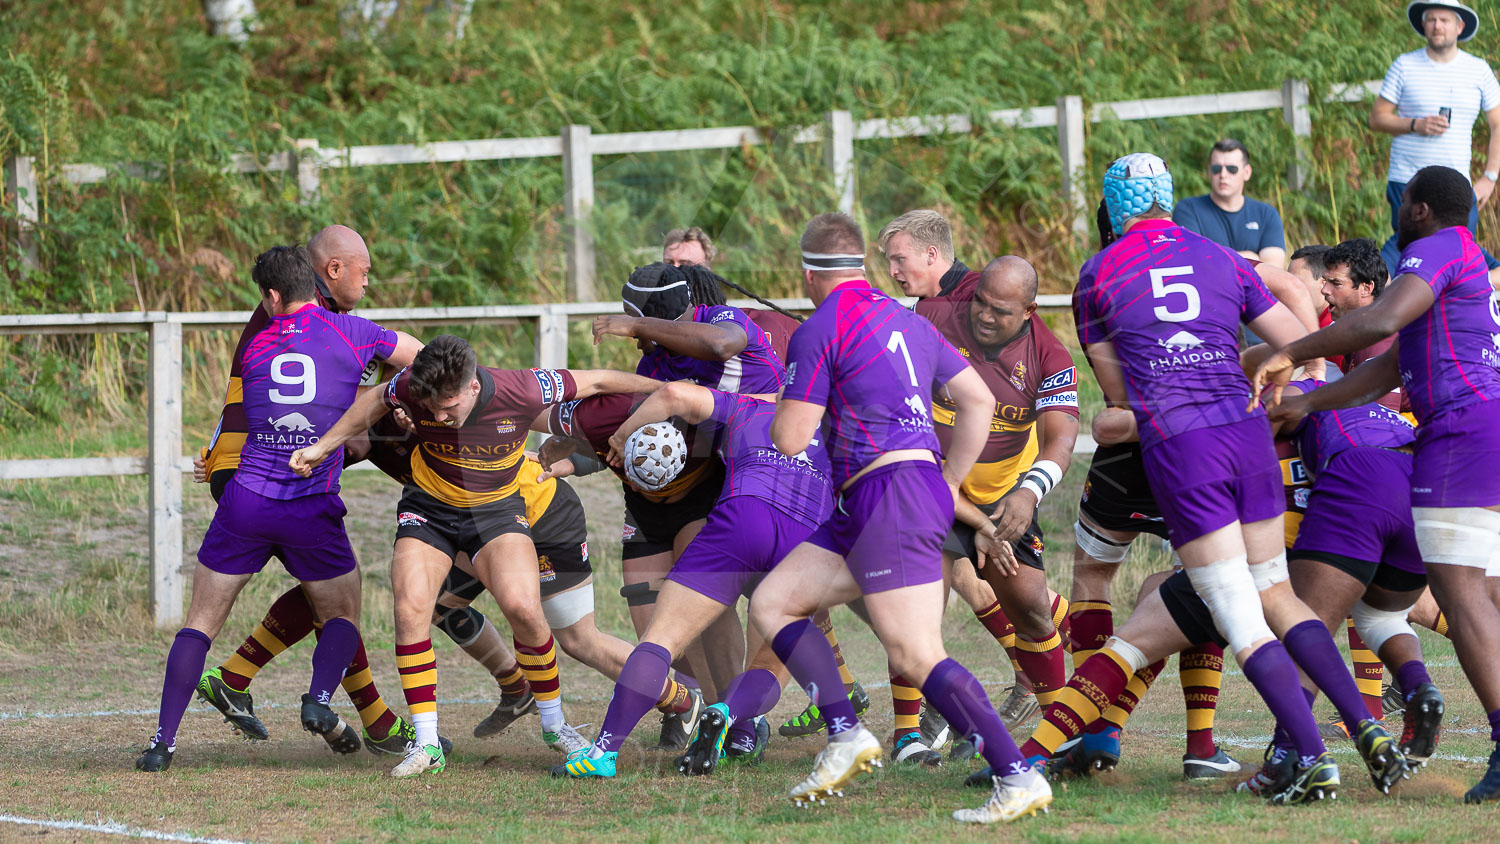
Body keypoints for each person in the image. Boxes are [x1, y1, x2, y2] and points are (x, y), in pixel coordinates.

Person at [1076, 152, 1374, 804]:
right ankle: (1361, 729)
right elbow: (1299, 341)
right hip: (1245, 435)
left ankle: (1094, 729)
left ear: (1109, 210)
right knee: (1265, 594)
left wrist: (1126, 418)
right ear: (1171, 198)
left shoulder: (1097, 273)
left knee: (1148, 586)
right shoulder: (1221, 256)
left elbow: (1124, 403)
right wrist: (1260, 379)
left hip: (1176, 446)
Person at [746, 212, 1052, 824]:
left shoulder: (819, 328)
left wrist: (781, 402)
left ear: (810, 274)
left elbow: (790, 436)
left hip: (887, 494)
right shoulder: (906, 320)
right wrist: (950, 481)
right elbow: (979, 400)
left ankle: (1016, 776)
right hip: (876, 498)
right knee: (774, 603)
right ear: (859, 265)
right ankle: (845, 732)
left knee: (915, 654)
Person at [289, 335, 662, 777]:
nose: (439, 417)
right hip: (429, 507)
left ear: (472, 387)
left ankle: (555, 724)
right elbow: (373, 399)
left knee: (524, 607)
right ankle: (427, 743)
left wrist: (666, 392)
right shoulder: (412, 387)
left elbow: (599, 381)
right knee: (411, 607)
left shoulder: (521, 388)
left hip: (497, 510)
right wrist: (322, 447)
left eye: (448, 407)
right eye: (431, 408)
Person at [1253, 164, 1500, 803]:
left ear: (1417, 209)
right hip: (1465, 430)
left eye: (1402, 203)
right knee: (1457, 593)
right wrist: (1309, 403)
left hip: (1459, 429)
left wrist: (1289, 352)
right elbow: (1391, 361)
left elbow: (1378, 325)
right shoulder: (1462, 259)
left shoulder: (1437, 248)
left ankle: (1293, 752)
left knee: (1461, 591)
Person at [136, 245, 421, 772]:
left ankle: (161, 743)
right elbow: (422, 362)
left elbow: (251, 411)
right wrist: (398, 403)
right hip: (308, 505)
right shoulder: (356, 332)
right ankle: (317, 699)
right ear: (318, 286)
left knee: (198, 625)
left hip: (245, 501)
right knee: (343, 613)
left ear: (271, 296)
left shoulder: (255, 347)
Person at [556, 381, 834, 779]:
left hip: (740, 519)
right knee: (771, 665)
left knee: (659, 641)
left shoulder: (747, 407)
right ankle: (729, 714)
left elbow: (673, 395)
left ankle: (602, 753)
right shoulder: (847, 433)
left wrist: (617, 437)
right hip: (802, 539)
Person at [911, 256, 1078, 764]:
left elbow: (1060, 441)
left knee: (1029, 608)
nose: (984, 314)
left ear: (1029, 310)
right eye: (980, 300)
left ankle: (1057, 736)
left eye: (1000, 310)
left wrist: (1028, 493)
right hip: (932, 489)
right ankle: (915, 731)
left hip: (1004, 499)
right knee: (916, 616)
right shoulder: (935, 317)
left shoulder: (1049, 356)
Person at [1369, 0, 1500, 279]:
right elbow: (1377, 118)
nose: (1437, 26)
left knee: (1459, 252)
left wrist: (1490, 176)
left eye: (1444, 20)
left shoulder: (1478, 70)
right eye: (1431, 20)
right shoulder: (1404, 65)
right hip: (1407, 179)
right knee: (1411, 251)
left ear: (1459, 26)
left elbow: (1498, 123)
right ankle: (1390, 301)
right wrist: (1417, 124)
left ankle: (1463, 296)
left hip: (1456, 184)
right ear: (1423, 25)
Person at [1172, 139, 1287, 267]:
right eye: (1216, 168)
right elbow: (1195, 263)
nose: (1223, 175)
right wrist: (1251, 257)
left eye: (1232, 169)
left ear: (1247, 172)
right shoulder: (1188, 210)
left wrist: (1215, 258)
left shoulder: (1266, 214)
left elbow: (1273, 270)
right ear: (1209, 171)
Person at [877, 209, 972, 299]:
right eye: (890, 262)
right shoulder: (919, 310)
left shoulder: (977, 301)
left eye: (899, 259)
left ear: (931, 255)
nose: (891, 272)